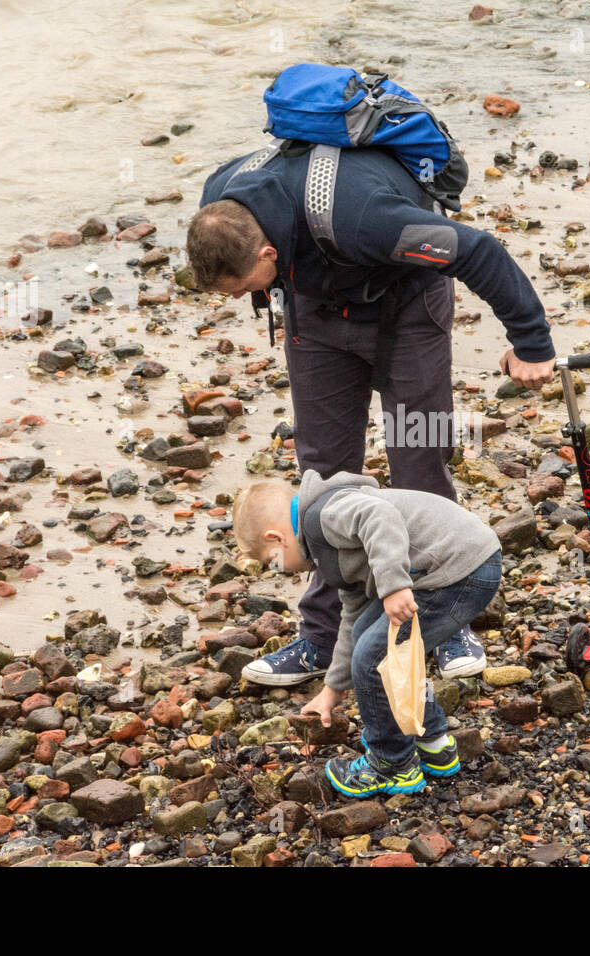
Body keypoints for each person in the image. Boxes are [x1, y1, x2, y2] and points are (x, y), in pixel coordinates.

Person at [189, 141, 554, 688]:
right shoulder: (221, 205)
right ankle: (321, 635)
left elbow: (479, 251)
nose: (245, 297)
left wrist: (531, 340)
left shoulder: (363, 217)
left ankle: (447, 618)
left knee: (419, 455)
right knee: (321, 477)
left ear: (266, 254)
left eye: (245, 289)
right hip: (315, 315)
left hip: (406, 307)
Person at [234, 470, 502, 796]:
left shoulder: (324, 515)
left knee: (374, 658)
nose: (278, 569)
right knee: (368, 638)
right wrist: (332, 689)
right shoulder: (329, 553)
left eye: (271, 562)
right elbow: (352, 621)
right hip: (448, 569)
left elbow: (379, 516)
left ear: (276, 538)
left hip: (461, 569)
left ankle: (392, 765)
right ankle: (432, 742)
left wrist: (394, 586)